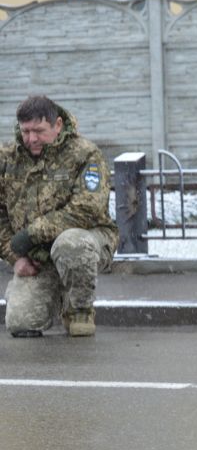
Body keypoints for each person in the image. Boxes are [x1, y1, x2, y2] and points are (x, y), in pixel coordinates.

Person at [0, 95, 116, 338]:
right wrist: (14, 256)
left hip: (88, 240)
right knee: (21, 323)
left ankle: (79, 308)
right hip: (36, 255)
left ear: (58, 125)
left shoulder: (85, 154)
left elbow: (86, 209)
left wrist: (32, 234)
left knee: (70, 244)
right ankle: (57, 293)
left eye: (39, 131)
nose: (32, 139)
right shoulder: (7, 158)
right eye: (26, 131)